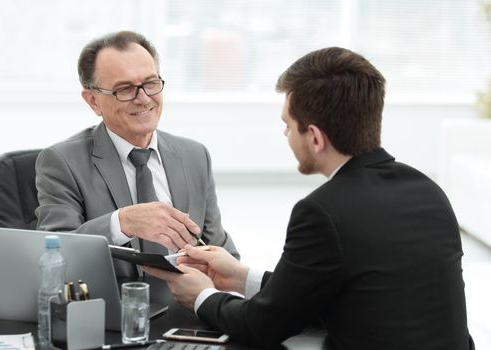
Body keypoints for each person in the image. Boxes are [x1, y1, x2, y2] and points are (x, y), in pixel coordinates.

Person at [144, 47, 474, 349]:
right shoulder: (429, 191)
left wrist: (201, 295)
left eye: (288, 125)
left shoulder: (322, 211)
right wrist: (242, 277)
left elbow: (264, 326)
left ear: (314, 137)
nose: (285, 133)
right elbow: (343, 294)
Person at [35, 31, 239, 277]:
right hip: (114, 308)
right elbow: (54, 251)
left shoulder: (194, 156)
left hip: (191, 306)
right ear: (93, 101)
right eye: (125, 88)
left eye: (151, 83)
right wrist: (122, 222)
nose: (143, 99)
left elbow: (221, 251)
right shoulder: (62, 162)